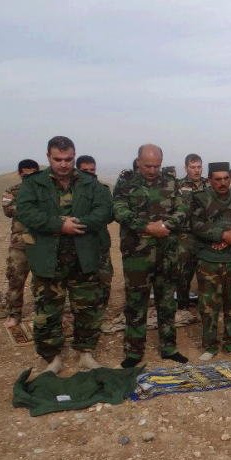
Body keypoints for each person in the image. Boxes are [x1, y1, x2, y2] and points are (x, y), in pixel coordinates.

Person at [16, 136, 112, 374]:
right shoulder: (33, 183)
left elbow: (104, 211)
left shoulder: (90, 183)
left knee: (88, 308)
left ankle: (85, 353)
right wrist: (58, 225)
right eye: (57, 159)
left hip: (84, 257)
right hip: (48, 260)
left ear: (74, 156)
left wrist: (77, 223)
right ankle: (52, 358)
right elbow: (26, 212)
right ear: (48, 157)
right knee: (48, 311)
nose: (63, 164)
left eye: (68, 159)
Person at [113, 144, 189, 368]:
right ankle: (134, 352)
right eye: (147, 165)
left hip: (167, 253)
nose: (152, 170)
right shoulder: (126, 182)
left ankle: (169, 347)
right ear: (138, 161)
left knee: (167, 303)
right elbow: (118, 209)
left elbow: (183, 209)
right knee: (136, 303)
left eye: (157, 165)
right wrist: (147, 227)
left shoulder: (171, 181)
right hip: (137, 255)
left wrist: (165, 224)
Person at [191, 163, 231, 360]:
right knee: (209, 305)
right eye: (218, 179)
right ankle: (210, 345)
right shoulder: (201, 199)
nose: (223, 183)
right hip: (209, 260)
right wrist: (222, 235)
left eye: (226, 178)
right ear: (210, 180)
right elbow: (195, 224)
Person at [2, 159, 40, 328]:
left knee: (45, 281)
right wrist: (30, 209)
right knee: (15, 278)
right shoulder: (12, 191)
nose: (30, 178)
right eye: (26, 175)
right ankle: (14, 314)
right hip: (20, 243)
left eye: (33, 175)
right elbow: (8, 210)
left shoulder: (46, 192)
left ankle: (44, 313)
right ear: (20, 174)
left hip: (42, 243)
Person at [76, 155, 114, 307]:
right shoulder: (73, 193)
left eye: (92, 170)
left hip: (99, 240)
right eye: (85, 170)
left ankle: (101, 310)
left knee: (104, 278)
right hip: (78, 242)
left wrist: (89, 219)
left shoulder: (103, 190)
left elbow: (109, 216)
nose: (90, 173)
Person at [177, 153, 208, 310]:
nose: (196, 171)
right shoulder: (178, 186)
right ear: (186, 168)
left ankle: (205, 305)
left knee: (206, 272)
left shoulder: (209, 185)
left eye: (199, 167)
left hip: (205, 236)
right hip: (185, 236)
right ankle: (182, 305)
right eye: (192, 167)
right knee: (184, 272)